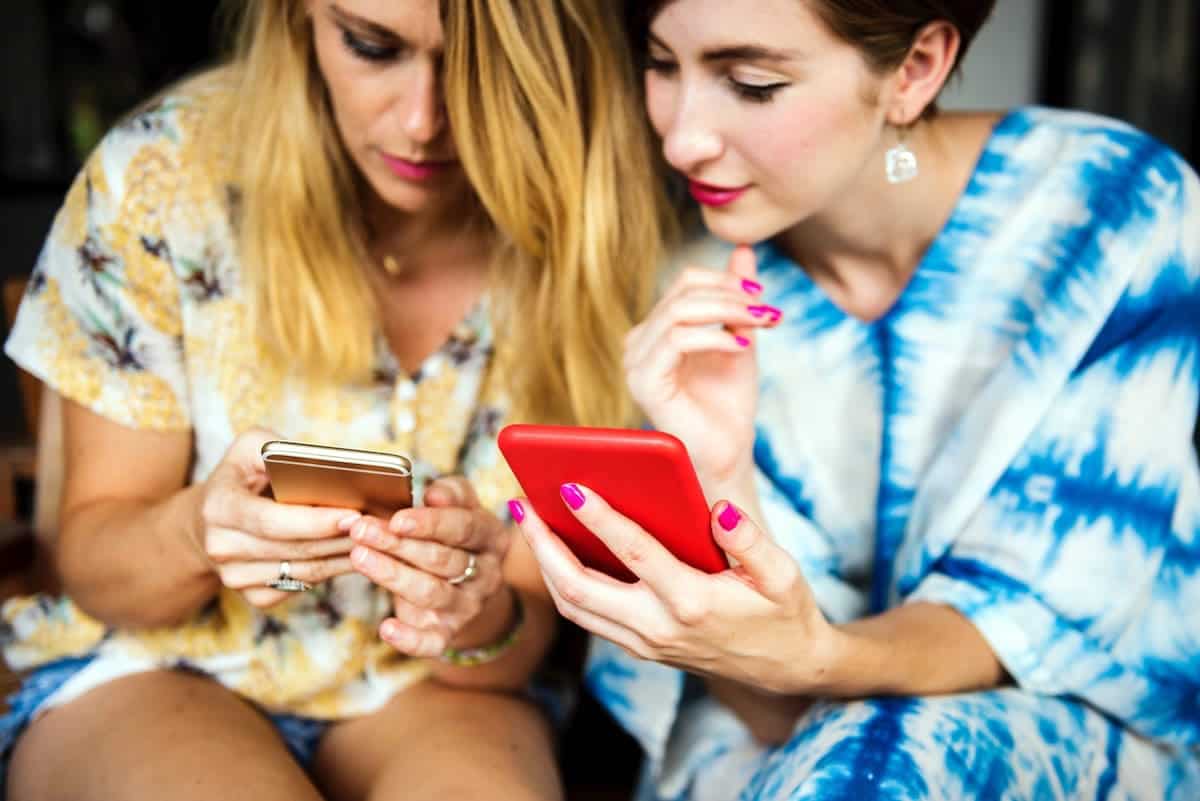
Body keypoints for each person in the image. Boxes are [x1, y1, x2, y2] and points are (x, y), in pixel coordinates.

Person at [510, 1, 1200, 799]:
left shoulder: (1112, 212)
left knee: (879, 755)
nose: (680, 137)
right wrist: (718, 481)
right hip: (771, 749)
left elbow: (1025, 630)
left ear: (915, 70)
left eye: (752, 82)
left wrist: (813, 653)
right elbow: (762, 699)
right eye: (662, 64)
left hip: (1072, 746)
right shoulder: (675, 293)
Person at [0, 1, 669, 799]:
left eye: (475, 67)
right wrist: (199, 532)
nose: (423, 120)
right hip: (153, 665)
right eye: (371, 46)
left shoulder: (587, 228)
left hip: (430, 692)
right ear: (297, 21)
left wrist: (472, 608)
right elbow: (96, 570)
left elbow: (522, 640)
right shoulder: (164, 176)